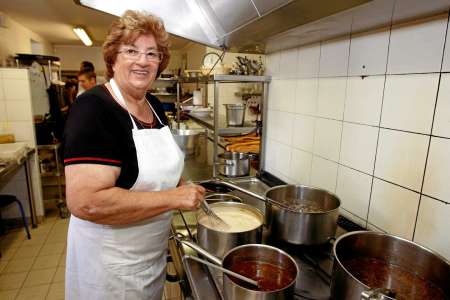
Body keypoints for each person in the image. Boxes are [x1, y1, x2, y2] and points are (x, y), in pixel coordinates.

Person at [63, 10, 205, 299]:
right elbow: (86, 202)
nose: (143, 61)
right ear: (113, 59)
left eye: (152, 54)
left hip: (148, 260)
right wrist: (172, 198)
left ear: (160, 63)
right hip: (108, 271)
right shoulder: (94, 109)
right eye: (131, 50)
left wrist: (180, 186)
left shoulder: (152, 104)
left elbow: (151, 170)